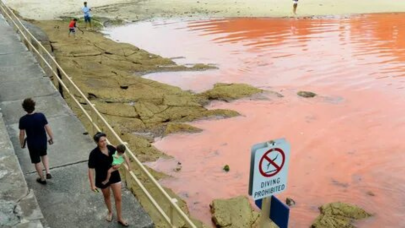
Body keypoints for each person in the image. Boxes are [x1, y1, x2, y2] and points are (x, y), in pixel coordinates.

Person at [88, 132, 129, 226]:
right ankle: (110, 212)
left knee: (118, 198)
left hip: (114, 175)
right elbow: (90, 169)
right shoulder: (93, 154)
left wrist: (120, 164)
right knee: (107, 196)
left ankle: (120, 218)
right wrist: (92, 184)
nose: (104, 142)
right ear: (97, 142)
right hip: (102, 177)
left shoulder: (111, 148)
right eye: (101, 141)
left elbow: (122, 155)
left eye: (105, 140)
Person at [19, 98, 54, 185]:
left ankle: (42, 179)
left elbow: (22, 134)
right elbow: (47, 127)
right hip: (42, 140)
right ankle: (48, 171)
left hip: (32, 143)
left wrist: (22, 143)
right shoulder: (41, 116)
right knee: (44, 155)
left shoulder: (23, 120)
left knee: (36, 161)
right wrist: (51, 137)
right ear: (34, 106)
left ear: (24, 108)